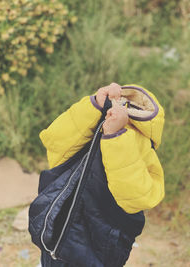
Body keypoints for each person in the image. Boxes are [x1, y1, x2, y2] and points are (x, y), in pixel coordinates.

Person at [39, 82, 165, 266]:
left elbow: (139, 197)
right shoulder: (95, 119)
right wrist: (95, 105)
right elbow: (54, 142)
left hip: (99, 240)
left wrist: (116, 136)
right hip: (57, 230)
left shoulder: (140, 142)